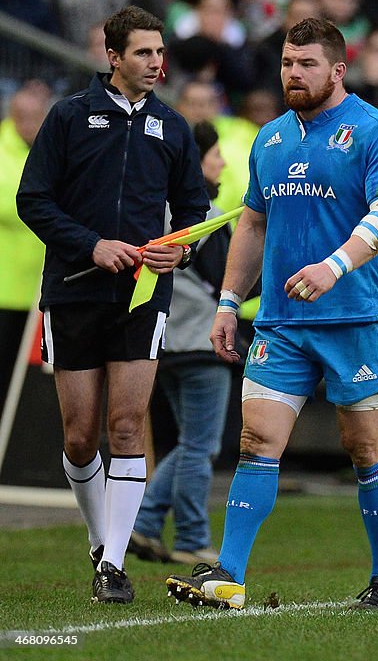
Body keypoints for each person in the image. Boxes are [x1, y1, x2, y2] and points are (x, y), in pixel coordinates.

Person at [166, 17, 378, 613]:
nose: (293, 74)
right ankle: (228, 575)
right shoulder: (271, 137)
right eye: (286, 63)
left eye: (306, 64)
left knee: (364, 447)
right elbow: (252, 222)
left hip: (355, 315)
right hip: (279, 320)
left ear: (337, 69)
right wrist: (229, 302)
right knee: (257, 439)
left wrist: (335, 266)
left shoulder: (376, 130)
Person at [16, 5, 209, 603]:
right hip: (72, 292)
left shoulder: (173, 127)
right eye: (144, 53)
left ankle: (114, 565)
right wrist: (91, 246)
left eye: (160, 53)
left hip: (143, 298)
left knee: (127, 426)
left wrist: (182, 251)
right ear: (113, 55)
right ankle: (101, 541)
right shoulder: (70, 117)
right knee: (79, 437)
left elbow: (196, 211)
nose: (157, 64)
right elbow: (34, 200)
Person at [129, 120, 233, 566]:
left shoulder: (159, 210)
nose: (222, 162)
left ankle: (148, 526)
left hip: (167, 339)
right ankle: (185, 534)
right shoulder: (203, 218)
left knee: (188, 443)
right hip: (201, 341)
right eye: (215, 155)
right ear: (196, 162)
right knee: (199, 445)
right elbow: (232, 281)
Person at [0, 81, 50, 403]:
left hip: (39, 294)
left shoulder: (48, 152)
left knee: (24, 390)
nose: (29, 125)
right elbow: (12, 205)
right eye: (24, 117)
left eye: (36, 118)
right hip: (5, 291)